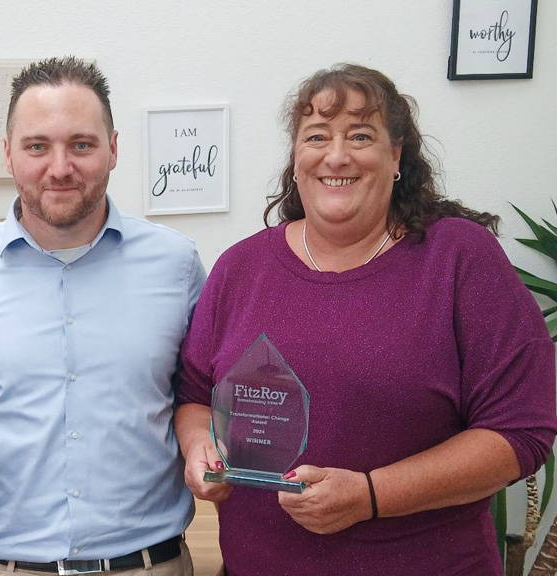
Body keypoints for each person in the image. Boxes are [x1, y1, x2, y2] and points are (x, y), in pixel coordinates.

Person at [174, 63, 557, 576]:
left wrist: (371, 495)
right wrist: (201, 448)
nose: (336, 155)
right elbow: (195, 395)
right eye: (317, 136)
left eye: (360, 135)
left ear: (395, 154)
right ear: (296, 158)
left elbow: (520, 432)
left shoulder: (459, 259)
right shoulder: (240, 269)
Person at [0, 56, 203, 576]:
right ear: (8, 154)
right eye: (36, 146)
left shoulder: (177, 264)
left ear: (113, 148)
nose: (60, 167)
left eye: (81, 144)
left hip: (148, 563)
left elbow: (201, 399)